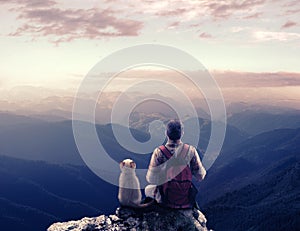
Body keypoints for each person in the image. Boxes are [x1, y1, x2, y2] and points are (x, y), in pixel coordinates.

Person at [145, 119, 206, 209]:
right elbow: (200, 176)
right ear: (182, 133)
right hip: (185, 198)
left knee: (147, 189)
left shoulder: (159, 152)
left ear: (166, 133)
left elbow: (151, 179)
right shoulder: (190, 151)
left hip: (166, 199)